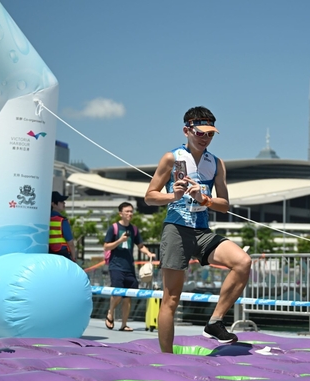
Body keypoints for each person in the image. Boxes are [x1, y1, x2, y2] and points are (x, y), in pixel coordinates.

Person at [144, 106, 252, 353]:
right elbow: (149, 197)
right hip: (176, 229)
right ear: (187, 131)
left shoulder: (216, 163)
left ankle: (215, 322)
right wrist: (173, 196)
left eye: (210, 134)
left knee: (243, 262)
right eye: (201, 133)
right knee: (171, 298)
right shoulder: (171, 158)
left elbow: (224, 205)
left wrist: (205, 200)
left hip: (202, 231)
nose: (206, 138)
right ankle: (166, 357)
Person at [104, 202, 155, 332]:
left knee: (128, 296)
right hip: (116, 266)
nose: (130, 213)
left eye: (131, 211)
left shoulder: (134, 229)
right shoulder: (114, 228)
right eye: (127, 211)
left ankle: (124, 324)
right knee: (118, 293)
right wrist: (119, 241)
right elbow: (106, 246)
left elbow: (140, 245)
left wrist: (149, 253)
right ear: (120, 213)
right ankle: (110, 312)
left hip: (129, 267)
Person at [48, 191, 76, 261]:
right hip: (62, 253)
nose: (64, 203)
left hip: (48, 254)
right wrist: (74, 257)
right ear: (53, 204)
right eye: (61, 201)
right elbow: (70, 243)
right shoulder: (62, 220)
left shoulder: (44, 219)